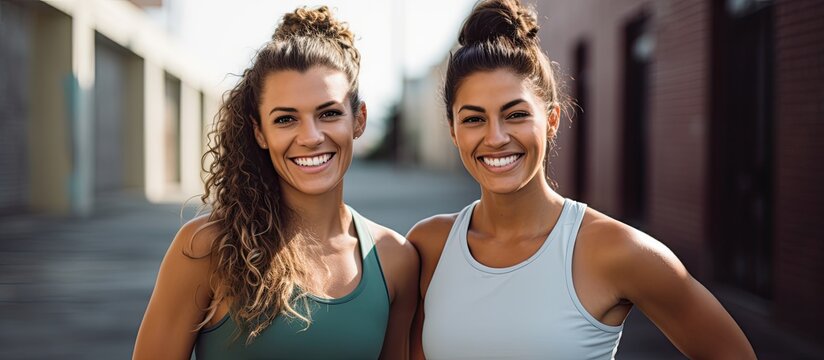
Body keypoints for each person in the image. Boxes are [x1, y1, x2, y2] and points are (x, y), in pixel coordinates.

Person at [407, 0, 756, 358]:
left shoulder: (616, 250)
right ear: (452, 130)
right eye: (473, 119)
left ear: (553, 119)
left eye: (515, 114)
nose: (495, 137)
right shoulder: (428, 246)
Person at [133, 6, 418, 359]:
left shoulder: (395, 258)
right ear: (260, 132)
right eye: (285, 119)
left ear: (358, 120)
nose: (311, 137)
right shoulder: (207, 249)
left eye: (329, 113)